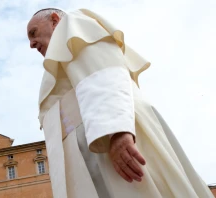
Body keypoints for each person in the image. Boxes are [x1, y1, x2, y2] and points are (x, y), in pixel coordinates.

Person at [26, 8, 213, 198]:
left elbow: (104, 73)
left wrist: (118, 132)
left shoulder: (73, 24)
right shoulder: (58, 60)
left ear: (55, 20)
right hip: (93, 150)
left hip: (110, 138)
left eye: (33, 33)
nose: (32, 44)